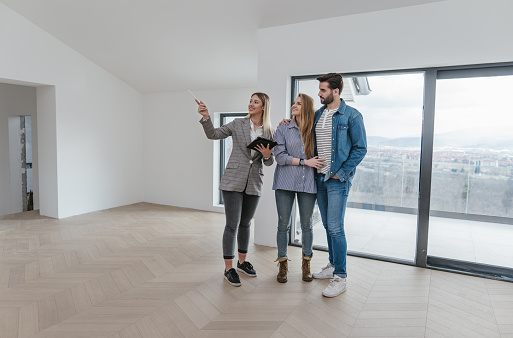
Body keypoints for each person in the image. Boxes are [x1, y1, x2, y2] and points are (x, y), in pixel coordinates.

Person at [196, 93, 274, 287]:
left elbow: (270, 161)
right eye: (250, 101)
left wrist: (266, 155)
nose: (251, 104)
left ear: (264, 107)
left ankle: (242, 262)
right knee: (232, 224)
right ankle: (228, 268)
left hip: (254, 181)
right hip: (232, 180)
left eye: (256, 102)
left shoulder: (270, 131)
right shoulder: (237, 123)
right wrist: (206, 117)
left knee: (246, 224)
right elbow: (213, 134)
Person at [311, 73, 367, 297]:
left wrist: (341, 173)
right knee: (326, 225)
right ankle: (333, 265)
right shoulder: (318, 114)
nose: (319, 94)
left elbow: (360, 148)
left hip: (337, 180)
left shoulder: (351, 116)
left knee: (336, 228)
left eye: (323, 90)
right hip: (319, 178)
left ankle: (340, 277)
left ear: (336, 91)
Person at [272, 93, 325, 283]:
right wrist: (305, 162)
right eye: (293, 103)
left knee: (307, 225)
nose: (294, 106)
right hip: (284, 182)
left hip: (307, 183)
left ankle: (306, 264)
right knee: (283, 225)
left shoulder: (315, 130)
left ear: (307, 108)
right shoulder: (283, 128)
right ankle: (283, 264)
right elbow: (279, 157)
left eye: (298, 103)